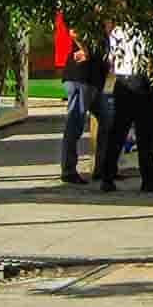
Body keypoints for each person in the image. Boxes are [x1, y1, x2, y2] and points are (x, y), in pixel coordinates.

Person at [96, 23, 153, 194]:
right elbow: (150, 62)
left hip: (122, 81)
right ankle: (149, 179)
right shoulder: (145, 31)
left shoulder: (117, 31)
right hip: (141, 82)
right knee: (145, 134)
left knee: (118, 132)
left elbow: (111, 60)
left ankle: (107, 177)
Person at [58, 22, 109, 185]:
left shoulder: (106, 23)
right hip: (82, 79)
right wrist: (85, 51)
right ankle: (68, 170)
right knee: (75, 123)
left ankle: (102, 168)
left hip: (93, 82)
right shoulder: (89, 17)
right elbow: (74, 31)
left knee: (107, 119)